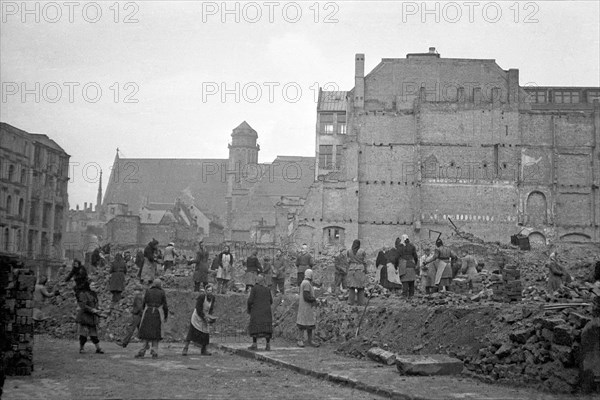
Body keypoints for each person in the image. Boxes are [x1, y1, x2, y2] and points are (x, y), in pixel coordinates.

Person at [136, 279, 169, 359]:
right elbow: (165, 305)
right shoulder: (162, 292)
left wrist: (143, 310)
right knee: (156, 333)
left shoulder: (148, 291)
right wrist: (165, 315)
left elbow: (144, 302)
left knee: (145, 333)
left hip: (148, 312)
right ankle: (154, 352)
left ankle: (142, 351)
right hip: (157, 313)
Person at [182, 285, 216, 356]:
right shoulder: (202, 297)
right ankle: (185, 348)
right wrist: (204, 317)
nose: (210, 292)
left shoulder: (213, 298)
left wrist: (210, 317)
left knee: (206, 333)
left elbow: (211, 308)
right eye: (208, 290)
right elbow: (198, 308)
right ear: (206, 291)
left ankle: (204, 350)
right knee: (191, 332)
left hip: (205, 316)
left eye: (211, 291)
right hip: (197, 316)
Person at [76, 281, 104, 354]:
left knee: (94, 334)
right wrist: (92, 310)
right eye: (92, 285)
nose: (94, 286)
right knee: (83, 334)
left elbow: (95, 305)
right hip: (84, 317)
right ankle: (81, 348)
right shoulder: (83, 294)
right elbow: (82, 305)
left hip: (92, 318)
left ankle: (98, 349)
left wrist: (99, 310)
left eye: (95, 285)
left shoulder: (94, 294)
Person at [247, 275, 273, 351]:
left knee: (255, 327)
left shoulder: (254, 288)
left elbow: (250, 300)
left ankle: (254, 344)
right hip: (266, 311)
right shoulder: (267, 289)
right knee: (267, 328)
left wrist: (249, 308)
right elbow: (271, 301)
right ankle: (268, 345)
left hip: (256, 311)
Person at [296, 269, 319, 348]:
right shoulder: (306, 284)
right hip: (305, 307)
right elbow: (306, 296)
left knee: (309, 324)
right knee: (303, 324)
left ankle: (309, 340)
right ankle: (300, 340)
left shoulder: (306, 283)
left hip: (306, 307)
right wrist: (314, 299)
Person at [119, 283, 144, 348]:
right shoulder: (141, 296)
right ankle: (146, 344)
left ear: (138, 290)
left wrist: (136, 312)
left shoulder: (138, 297)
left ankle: (124, 343)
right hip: (140, 315)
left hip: (136, 315)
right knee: (141, 330)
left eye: (135, 290)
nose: (134, 292)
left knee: (131, 329)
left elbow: (139, 307)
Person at [346, 240, 367, 306]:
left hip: (351, 269)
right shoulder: (362, 251)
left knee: (351, 287)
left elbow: (348, 261)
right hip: (360, 269)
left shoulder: (349, 251)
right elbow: (365, 261)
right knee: (361, 287)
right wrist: (366, 270)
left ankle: (350, 302)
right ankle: (361, 302)